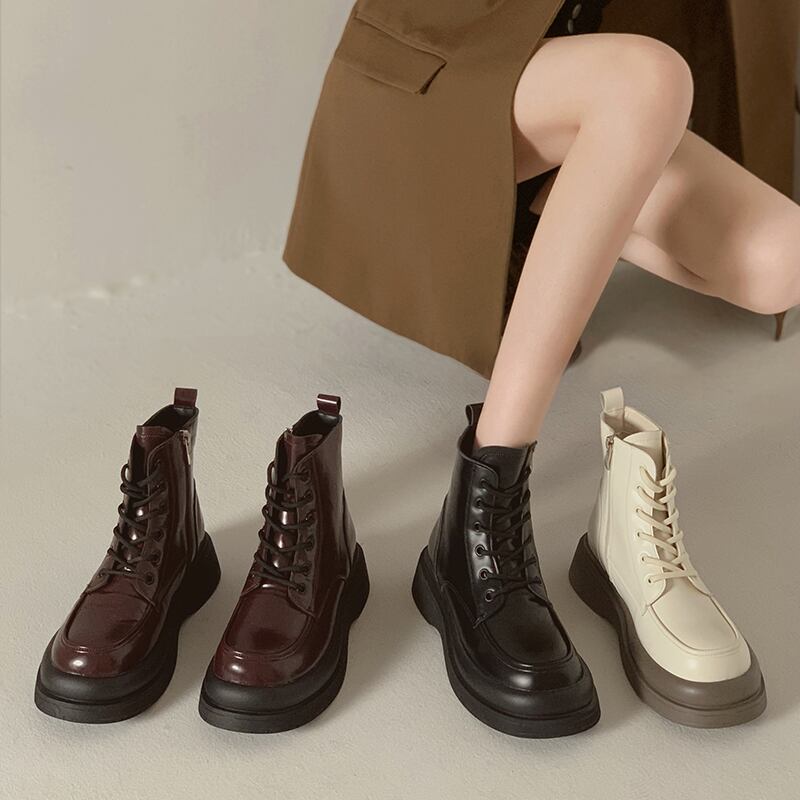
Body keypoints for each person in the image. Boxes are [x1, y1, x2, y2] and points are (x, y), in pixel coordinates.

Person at [283, 0, 799, 735]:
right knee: (646, 78)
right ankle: (483, 500)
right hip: (438, 79)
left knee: (781, 262)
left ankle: (573, 197)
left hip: (605, 99)